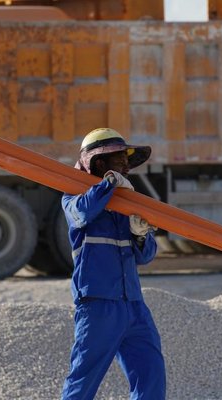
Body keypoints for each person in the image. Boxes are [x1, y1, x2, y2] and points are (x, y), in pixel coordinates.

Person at [60, 128, 166, 400]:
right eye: (119, 159)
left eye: (126, 160)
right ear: (99, 162)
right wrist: (108, 184)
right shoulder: (73, 197)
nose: (126, 165)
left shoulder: (127, 201)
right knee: (82, 382)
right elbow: (82, 214)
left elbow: (145, 256)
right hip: (98, 305)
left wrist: (141, 235)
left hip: (133, 304)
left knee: (151, 376)